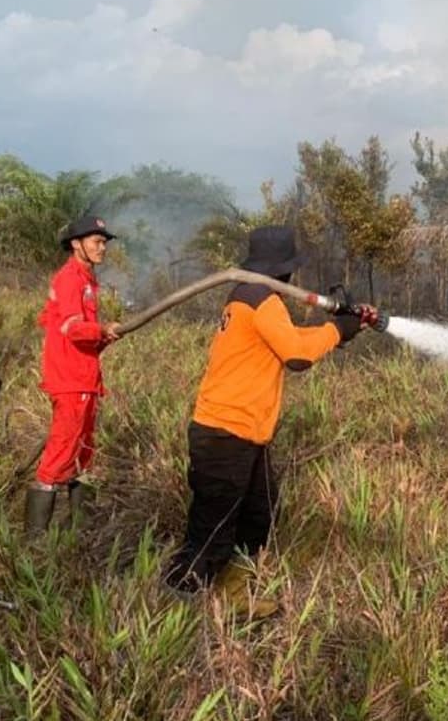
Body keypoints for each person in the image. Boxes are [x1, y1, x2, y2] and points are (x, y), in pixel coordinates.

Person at [165, 225, 378, 616]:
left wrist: (344, 328)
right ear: (284, 270)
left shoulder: (250, 296)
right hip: (223, 432)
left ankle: (233, 595)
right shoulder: (258, 298)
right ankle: (178, 604)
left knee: (258, 516)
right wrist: (336, 329)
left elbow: (289, 339)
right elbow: (297, 355)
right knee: (212, 530)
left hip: (245, 433)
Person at [25, 215, 120, 535]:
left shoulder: (87, 279)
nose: (102, 247)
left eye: (104, 242)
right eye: (97, 241)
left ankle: (79, 531)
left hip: (85, 377)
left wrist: (102, 336)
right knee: (62, 451)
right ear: (76, 244)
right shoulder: (70, 279)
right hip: (70, 378)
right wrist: (101, 329)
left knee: (83, 452)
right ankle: (35, 543)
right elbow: (72, 327)